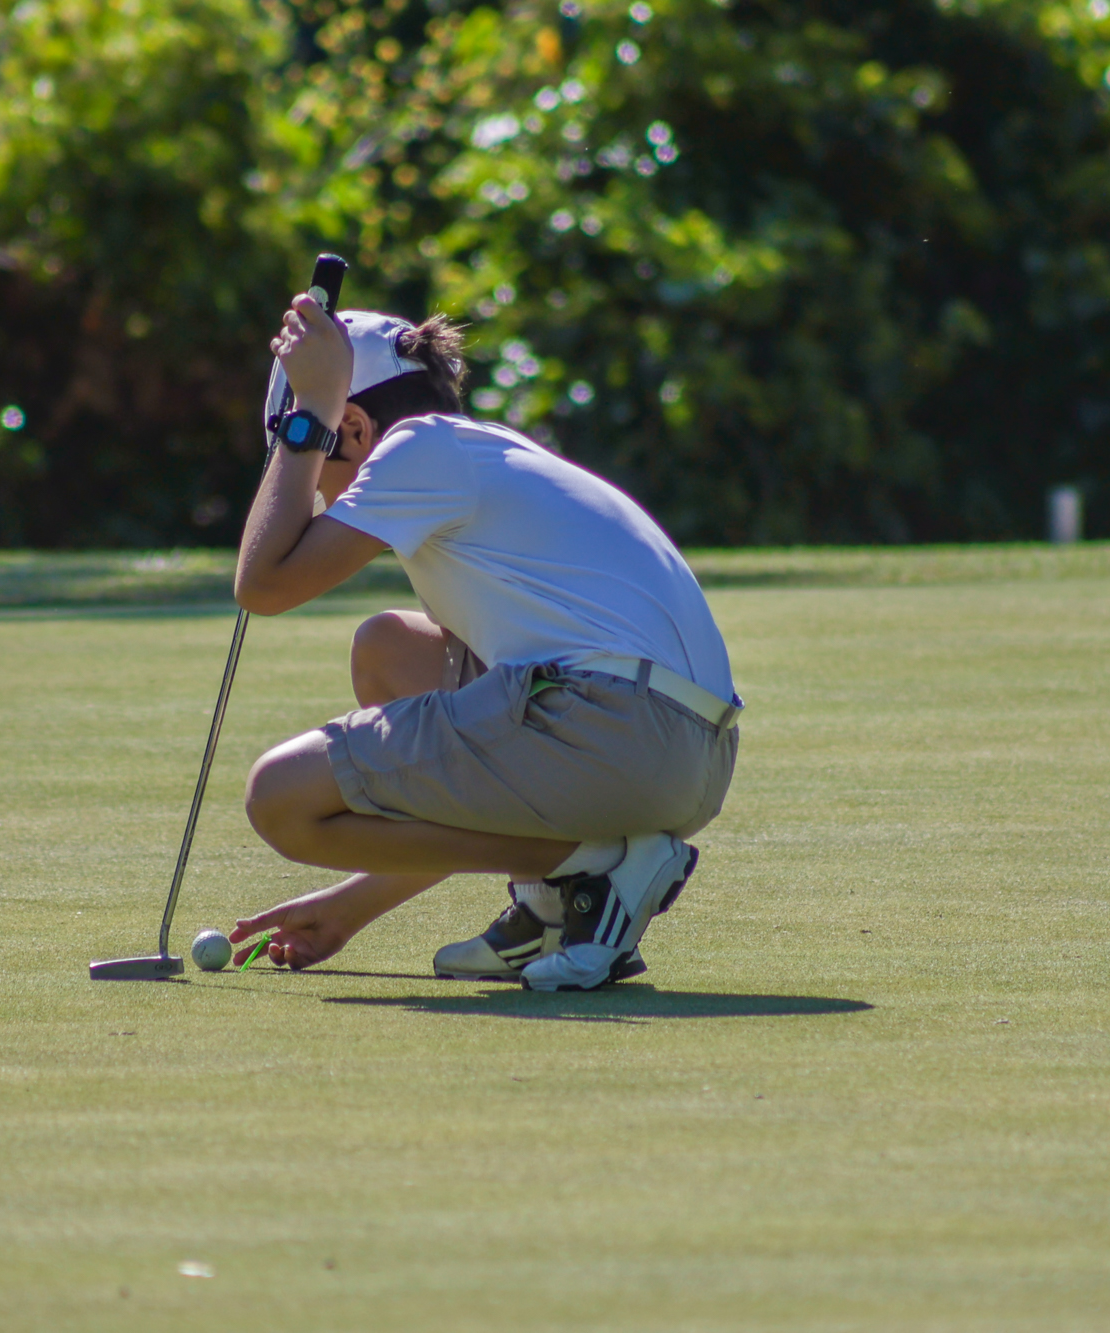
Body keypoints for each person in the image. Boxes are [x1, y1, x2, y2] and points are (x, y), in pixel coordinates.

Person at [226, 290, 742, 991]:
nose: (316, 495)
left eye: (315, 457)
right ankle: (555, 904)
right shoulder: (480, 450)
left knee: (281, 798)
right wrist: (348, 910)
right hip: (688, 754)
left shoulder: (415, 449)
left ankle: (594, 869)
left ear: (351, 427)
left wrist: (307, 407)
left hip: (618, 731)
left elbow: (263, 585)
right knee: (388, 650)